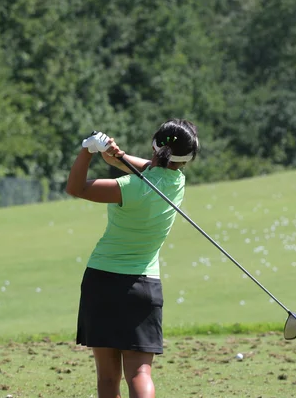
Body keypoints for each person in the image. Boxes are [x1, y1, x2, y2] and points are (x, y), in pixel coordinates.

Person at [65, 119, 200, 398]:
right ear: (188, 157)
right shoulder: (176, 182)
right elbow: (146, 167)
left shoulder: (127, 187)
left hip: (101, 282)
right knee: (139, 374)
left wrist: (86, 151)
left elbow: (76, 188)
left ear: (155, 146)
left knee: (107, 377)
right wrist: (118, 155)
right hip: (143, 287)